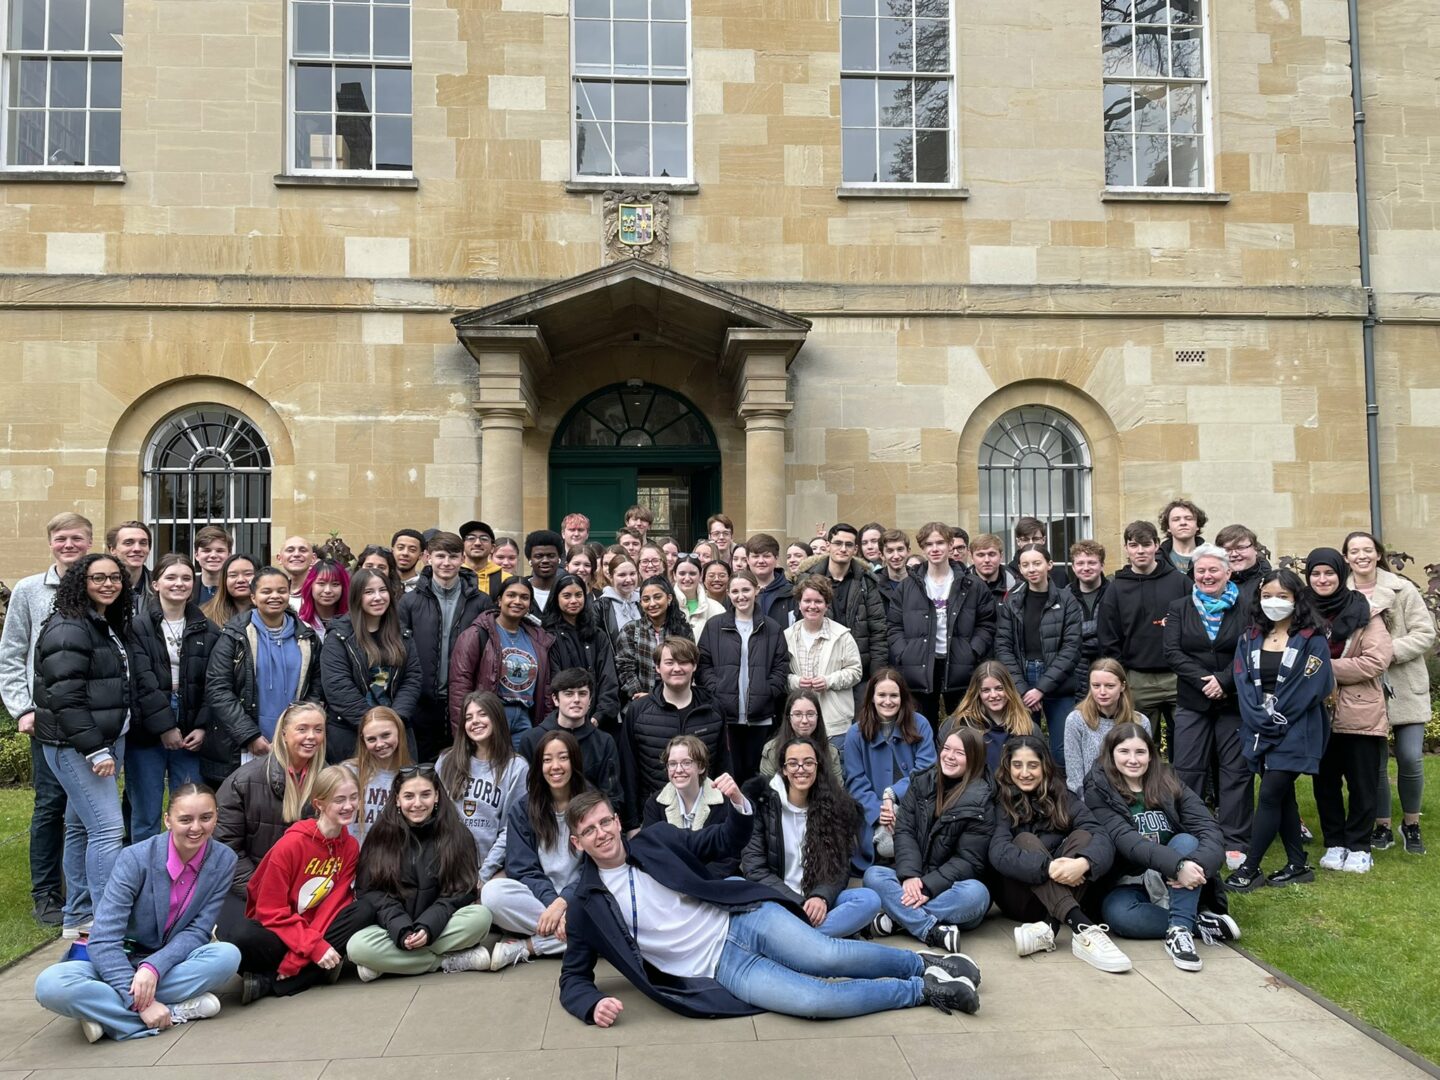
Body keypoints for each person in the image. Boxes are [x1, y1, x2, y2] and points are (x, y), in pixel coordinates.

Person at [559, 786, 983, 1025]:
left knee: (825, 954)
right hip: (721, 968)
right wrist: (591, 1005)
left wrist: (740, 807)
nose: (601, 833)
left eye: (604, 822)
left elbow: (720, 841)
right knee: (816, 1003)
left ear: (616, 820)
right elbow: (573, 977)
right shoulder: (584, 906)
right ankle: (921, 990)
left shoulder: (654, 839)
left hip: (740, 919)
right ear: (577, 843)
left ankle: (919, 963)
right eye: (588, 830)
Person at [34, 784, 241, 1042]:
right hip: (117, 959)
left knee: (227, 956)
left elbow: (198, 931)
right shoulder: (134, 859)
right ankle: (171, 1011)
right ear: (168, 820)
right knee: (50, 985)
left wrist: (153, 968)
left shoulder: (224, 860)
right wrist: (139, 1002)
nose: (196, 828)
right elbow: (103, 939)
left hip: (168, 963)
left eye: (206, 818)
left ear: (216, 817)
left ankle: (104, 1015)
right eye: (185, 819)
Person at [34, 553, 166, 940]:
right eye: (97, 578)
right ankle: (113, 919)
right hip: (78, 747)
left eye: (114, 578)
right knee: (108, 830)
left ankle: (79, 915)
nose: (108, 584)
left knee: (79, 827)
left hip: (107, 738)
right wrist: (95, 749)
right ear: (81, 582)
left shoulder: (101, 622)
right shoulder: (70, 628)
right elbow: (65, 696)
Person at [0, 510, 92, 927]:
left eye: (77, 538)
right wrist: (22, 708)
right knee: (51, 804)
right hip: (47, 717)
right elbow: (12, 652)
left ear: (89, 542)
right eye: (61, 539)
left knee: (90, 808)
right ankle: (46, 893)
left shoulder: (100, 585)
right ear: (50, 543)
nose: (69, 545)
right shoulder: (29, 590)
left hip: (93, 717)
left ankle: (84, 889)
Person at [1083, 723, 1234, 971]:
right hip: (1129, 877)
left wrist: (1194, 866)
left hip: (1174, 877)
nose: (1133, 760)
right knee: (1118, 915)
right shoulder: (1098, 789)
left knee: (1187, 841)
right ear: (1110, 754)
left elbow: (1209, 829)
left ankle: (1179, 932)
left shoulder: (1167, 780)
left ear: (1151, 754)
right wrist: (1178, 866)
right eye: (1124, 752)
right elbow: (1126, 841)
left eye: (1140, 752)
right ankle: (1198, 924)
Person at [1226, 570, 1336, 892]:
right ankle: (1297, 865)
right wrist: (1257, 717)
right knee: (1284, 796)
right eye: (1268, 596)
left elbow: (1313, 687)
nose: (1274, 602)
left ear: (1296, 599)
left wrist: (1276, 718)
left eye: (1282, 596)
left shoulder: (1312, 639)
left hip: (1297, 729)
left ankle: (1250, 868)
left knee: (1271, 794)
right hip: (1259, 728)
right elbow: (1242, 681)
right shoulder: (1249, 638)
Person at [225, 765, 373, 1002]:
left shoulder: (350, 846)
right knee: (241, 936)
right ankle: (318, 970)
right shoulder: (291, 845)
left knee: (363, 910)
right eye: (339, 800)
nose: (349, 806)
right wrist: (311, 948)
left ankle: (267, 982)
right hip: (281, 931)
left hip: (319, 930)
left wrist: (301, 957)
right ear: (319, 804)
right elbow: (269, 912)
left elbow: (331, 907)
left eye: (354, 797)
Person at [987, 735, 1128, 972]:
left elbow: (1101, 835)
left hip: (1059, 894)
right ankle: (1083, 929)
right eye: (1017, 765)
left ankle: (1049, 927)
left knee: (1084, 837)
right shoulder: (999, 801)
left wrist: (1084, 863)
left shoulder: (1062, 796)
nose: (1024, 773)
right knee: (1025, 840)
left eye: (1033, 765)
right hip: (1020, 899)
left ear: (1044, 766)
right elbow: (999, 852)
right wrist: (1048, 867)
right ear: (1007, 767)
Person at [347, 765, 496, 979]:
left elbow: (462, 891)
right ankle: (446, 961)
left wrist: (428, 926)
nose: (417, 803)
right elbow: (370, 893)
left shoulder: (457, 834)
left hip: (440, 925)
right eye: (409, 796)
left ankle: (390, 963)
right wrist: (401, 928)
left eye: (425, 795)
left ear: (437, 796)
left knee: (480, 918)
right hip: (392, 928)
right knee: (357, 947)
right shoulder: (379, 836)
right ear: (397, 799)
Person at [1344, 530, 1436, 855]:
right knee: (1376, 764)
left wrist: (1386, 651)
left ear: (1378, 554)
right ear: (1346, 558)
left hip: (1405, 684)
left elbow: (1426, 633)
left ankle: (1411, 823)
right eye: (1354, 551)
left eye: (1367, 550)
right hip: (1364, 689)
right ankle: (1381, 824)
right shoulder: (1343, 593)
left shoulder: (1402, 589)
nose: (1361, 556)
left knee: (1411, 757)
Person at [862, 725, 992, 951]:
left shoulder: (982, 800)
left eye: (959, 753)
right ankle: (930, 930)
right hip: (915, 877)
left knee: (977, 895)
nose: (949, 757)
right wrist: (911, 875)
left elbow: (968, 860)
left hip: (952, 890)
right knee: (874, 875)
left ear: (973, 758)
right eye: (946, 749)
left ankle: (897, 920)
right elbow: (905, 831)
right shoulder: (921, 782)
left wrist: (927, 887)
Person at [741, 733, 881, 938]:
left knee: (869, 899)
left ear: (817, 767)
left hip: (819, 906)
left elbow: (839, 869)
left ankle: (796, 940)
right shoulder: (761, 805)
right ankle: (819, 939)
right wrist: (798, 904)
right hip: (779, 902)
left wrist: (821, 897)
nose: (801, 769)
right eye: (793, 763)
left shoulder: (832, 806)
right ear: (783, 769)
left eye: (808, 762)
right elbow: (756, 871)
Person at [1307, 547, 1393, 875]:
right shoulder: (1301, 612)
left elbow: (1375, 660)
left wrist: (1322, 667)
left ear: (1340, 574)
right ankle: (1335, 841)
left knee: (1361, 782)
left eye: (1329, 572)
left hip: (1359, 710)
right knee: (1325, 781)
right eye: (1316, 573)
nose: (1323, 579)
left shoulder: (1365, 612)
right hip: (1317, 713)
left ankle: (1359, 845)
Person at [214, 701, 328, 946]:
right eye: (303, 729)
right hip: (250, 885)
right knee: (245, 935)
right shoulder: (244, 780)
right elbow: (226, 849)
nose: (311, 737)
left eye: (318, 730)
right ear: (284, 733)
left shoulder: (329, 780)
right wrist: (267, 892)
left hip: (306, 889)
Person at [1163, 543, 1250, 865]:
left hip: (1234, 701)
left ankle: (1235, 840)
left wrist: (1224, 681)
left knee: (1235, 772)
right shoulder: (1179, 607)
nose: (1207, 575)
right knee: (1187, 770)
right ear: (1193, 574)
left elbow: (1248, 649)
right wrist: (1205, 681)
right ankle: (1191, 835)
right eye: (1201, 570)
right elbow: (1172, 652)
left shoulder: (1246, 608)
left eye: (1214, 570)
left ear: (1228, 572)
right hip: (1192, 700)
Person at [202, 567, 322, 788]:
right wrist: (249, 736)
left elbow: (315, 688)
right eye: (266, 591)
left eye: (281, 591)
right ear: (253, 597)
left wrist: (301, 731)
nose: (275, 596)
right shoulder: (233, 636)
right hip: (244, 744)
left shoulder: (307, 638)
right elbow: (218, 689)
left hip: (293, 742)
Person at [126, 553, 217, 843]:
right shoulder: (137, 627)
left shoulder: (208, 628)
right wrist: (165, 726)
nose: (179, 583)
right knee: (146, 813)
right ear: (156, 584)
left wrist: (202, 726)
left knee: (190, 811)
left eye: (186, 578)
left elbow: (214, 682)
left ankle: (185, 877)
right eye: (171, 577)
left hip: (192, 726)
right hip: (147, 727)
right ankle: (144, 879)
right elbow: (141, 680)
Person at [481, 729, 589, 967]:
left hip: (582, 896)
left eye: (563, 757)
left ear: (574, 761)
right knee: (493, 893)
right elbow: (522, 868)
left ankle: (529, 946)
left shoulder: (592, 804)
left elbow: (597, 867)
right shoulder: (524, 808)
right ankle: (570, 934)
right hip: (538, 899)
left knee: (609, 915)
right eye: (547, 760)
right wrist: (554, 905)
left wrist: (564, 903)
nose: (555, 766)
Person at [887, 522, 997, 730]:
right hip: (920, 665)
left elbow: (987, 623)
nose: (935, 549)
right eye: (929, 544)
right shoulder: (907, 586)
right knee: (921, 728)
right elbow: (894, 625)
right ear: (923, 548)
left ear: (949, 545)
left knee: (965, 728)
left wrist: (971, 651)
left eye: (940, 543)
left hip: (960, 663)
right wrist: (905, 652)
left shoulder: (971, 584)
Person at [399, 531, 495, 763]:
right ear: (427, 558)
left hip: (465, 699)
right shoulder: (409, 602)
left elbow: (487, 652)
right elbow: (400, 651)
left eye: (453, 557)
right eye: (440, 556)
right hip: (421, 701)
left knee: (462, 765)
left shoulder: (480, 601)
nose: (446, 563)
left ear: (463, 558)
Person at [1096, 520, 1189, 757]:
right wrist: (1123, 676)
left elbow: (1195, 625)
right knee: (1141, 746)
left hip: (1178, 676)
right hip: (1138, 679)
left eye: (1146, 544)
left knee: (1189, 743)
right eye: (1134, 545)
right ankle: (1148, 794)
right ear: (1126, 548)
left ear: (1157, 546)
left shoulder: (1179, 582)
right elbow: (1109, 637)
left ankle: (1187, 793)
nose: (1140, 551)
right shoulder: (1115, 589)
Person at [617, 637, 730, 828]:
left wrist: (726, 818)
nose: (677, 668)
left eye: (684, 662)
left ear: (694, 666)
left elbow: (724, 767)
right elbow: (628, 771)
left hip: (707, 818)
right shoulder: (638, 711)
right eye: (669, 662)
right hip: (654, 816)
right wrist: (632, 825)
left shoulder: (713, 709)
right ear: (657, 668)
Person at [319, 568, 423, 763]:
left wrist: (394, 722)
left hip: (397, 733)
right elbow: (337, 687)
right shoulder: (338, 636)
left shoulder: (402, 634)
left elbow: (412, 678)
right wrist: (374, 727)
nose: (378, 597)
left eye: (382, 590)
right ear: (357, 597)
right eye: (369, 592)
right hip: (350, 735)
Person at [698, 569, 790, 783]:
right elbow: (703, 665)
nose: (741, 596)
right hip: (725, 717)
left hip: (760, 717)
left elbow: (781, 667)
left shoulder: (772, 628)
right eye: (735, 591)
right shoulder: (715, 626)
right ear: (729, 594)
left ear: (756, 590)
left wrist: (767, 691)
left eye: (746, 590)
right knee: (728, 775)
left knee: (755, 776)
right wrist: (716, 689)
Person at [993, 543, 1083, 761]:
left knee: (1062, 750)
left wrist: (1041, 689)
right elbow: (1003, 646)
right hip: (1021, 680)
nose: (1031, 569)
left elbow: (1071, 648)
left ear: (1049, 565)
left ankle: (1063, 794)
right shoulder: (1012, 600)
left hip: (1058, 682)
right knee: (1023, 747)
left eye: (1036, 563)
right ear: (1020, 569)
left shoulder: (1067, 599)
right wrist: (1024, 689)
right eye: (1025, 565)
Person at [844, 668, 938, 867]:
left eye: (894, 695)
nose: (888, 701)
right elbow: (855, 782)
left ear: (902, 697)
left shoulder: (920, 724)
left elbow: (927, 769)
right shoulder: (855, 733)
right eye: (882, 695)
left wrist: (892, 794)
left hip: (915, 807)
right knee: (888, 846)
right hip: (875, 812)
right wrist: (881, 814)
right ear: (871, 697)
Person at [448, 576, 554, 748]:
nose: (517, 601)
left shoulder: (538, 640)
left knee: (522, 770)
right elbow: (460, 686)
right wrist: (462, 735)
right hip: (489, 715)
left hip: (524, 719)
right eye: (511, 595)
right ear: (499, 600)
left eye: (524, 597)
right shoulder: (477, 634)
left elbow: (546, 689)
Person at [437, 691, 529, 883]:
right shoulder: (446, 761)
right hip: (445, 865)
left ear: (496, 717)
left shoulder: (516, 767)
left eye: (482, 714)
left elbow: (511, 829)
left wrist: (484, 875)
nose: (475, 721)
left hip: (489, 871)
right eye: (468, 717)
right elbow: (436, 818)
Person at [641, 736, 744, 878]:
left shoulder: (724, 801)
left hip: (715, 882)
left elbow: (730, 855)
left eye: (686, 763)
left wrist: (698, 881)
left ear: (701, 767)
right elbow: (650, 850)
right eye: (672, 764)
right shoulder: (655, 804)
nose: (678, 770)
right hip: (671, 881)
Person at [518, 667, 623, 807]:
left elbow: (612, 796)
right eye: (569, 694)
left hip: (589, 820)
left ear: (590, 699)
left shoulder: (604, 742)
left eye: (582, 694)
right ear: (555, 699)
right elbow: (525, 793)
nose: (576, 700)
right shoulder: (531, 739)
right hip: (543, 819)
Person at [783, 575, 863, 748]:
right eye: (807, 601)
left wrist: (829, 681)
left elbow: (856, 671)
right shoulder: (788, 636)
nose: (812, 606)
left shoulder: (842, 636)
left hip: (834, 722)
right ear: (799, 603)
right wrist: (796, 681)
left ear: (827, 605)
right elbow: (780, 673)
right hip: (799, 722)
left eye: (818, 601)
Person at [541, 572, 621, 729]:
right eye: (567, 596)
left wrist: (599, 716)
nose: (573, 601)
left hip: (598, 722)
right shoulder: (548, 636)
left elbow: (608, 678)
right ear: (556, 598)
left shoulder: (597, 635)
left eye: (578, 595)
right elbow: (553, 681)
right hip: (561, 722)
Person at [817, 523, 890, 695]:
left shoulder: (867, 581)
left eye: (849, 544)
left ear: (855, 548)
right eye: (838, 543)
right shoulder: (810, 579)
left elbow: (878, 631)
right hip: (821, 672)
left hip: (860, 675)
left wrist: (877, 678)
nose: (843, 549)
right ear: (828, 545)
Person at [1063, 659, 1151, 794]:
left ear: (1122, 686)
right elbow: (1074, 776)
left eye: (1109, 686)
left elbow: (1147, 769)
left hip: (1131, 795)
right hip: (1091, 796)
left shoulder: (1140, 721)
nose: (1102, 692)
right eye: (1096, 685)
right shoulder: (1076, 720)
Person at [615, 576, 693, 702]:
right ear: (640, 603)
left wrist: (665, 697)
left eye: (657, 597)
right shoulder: (630, 630)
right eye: (646, 599)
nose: (652, 604)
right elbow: (625, 668)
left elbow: (688, 666)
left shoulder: (682, 630)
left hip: (675, 700)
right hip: (639, 702)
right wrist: (642, 695)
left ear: (669, 598)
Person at [948, 660, 1034, 772]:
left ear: (1009, 689)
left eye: (999, 688)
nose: (993, 695)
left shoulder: (1028, 726)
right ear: (977, 693)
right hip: (975, 788)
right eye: (986, 690)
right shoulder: (960, 724)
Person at [346, 707, 413, 842]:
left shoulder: (412, 776)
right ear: (363, 741)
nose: (380, 744)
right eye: (371, 739)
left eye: (386, 735)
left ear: (399, 732)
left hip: (392, 858)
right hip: (353, 857)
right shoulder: (349, 772)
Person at [759, 689, 843, 779]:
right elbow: (766, 789)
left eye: (810, 714)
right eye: (798, 714)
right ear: (788, 718)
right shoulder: (772, 750)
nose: (804, 721)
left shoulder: (831, 752)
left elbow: (837, 790)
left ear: (818, 717)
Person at [1068, 540, 1109, 690]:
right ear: (1073, 567)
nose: (1086, 568)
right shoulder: (1063, 597)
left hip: (1108, 670)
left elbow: (1116, 632)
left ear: (1102, 565)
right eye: (1080, 563)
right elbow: (1062, 637)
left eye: (1092, 562)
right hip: (1074, 674)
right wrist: (1099, 629)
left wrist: (1077, 639)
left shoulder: (1115, 594)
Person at [1006, 518, 1070, 591]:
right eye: (1025, 539)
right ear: (1018, 541)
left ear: (1043, 540)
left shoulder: (1059, 574)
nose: (1031, 543)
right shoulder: (1007, 574)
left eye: (1035, 539)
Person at [295, 558, 350, 643]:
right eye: (321, 583)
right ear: (310, 585)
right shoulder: (299, 623)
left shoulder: (353, 623)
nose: (327, 590)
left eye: (335, 584)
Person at [672, 554, 726, 638]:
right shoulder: (665, 606)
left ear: (700, 576)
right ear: (674, 575)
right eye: (682, 573)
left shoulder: (717, 609)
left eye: (692, 573)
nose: (687, 578)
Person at [1216, 523, 1271, 605]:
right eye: (1227, 550)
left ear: (1255, 548)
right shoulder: (1213, 583)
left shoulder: (1269, 582)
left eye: (1240, 548)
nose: (1234, 554)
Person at [746, 534, 794, 624]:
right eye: (755, 556)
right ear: (748, 560)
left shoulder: (791, 594)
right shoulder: (739, 592)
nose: (761, 561)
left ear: (776, 559)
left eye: (766, 556)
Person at [105, 520, 153, 609]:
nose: (137, 549)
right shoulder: (100, 586)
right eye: (128, 543)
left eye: (143, 543)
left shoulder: (160, 586)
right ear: (113, 550)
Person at [200, 552, 256, 628]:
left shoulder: (270, 614)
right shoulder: (206, 615)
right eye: (233, 575)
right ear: (224, 580)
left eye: (248, 574)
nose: (240, 580)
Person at [460, 520, 511, 599]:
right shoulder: (454, 576)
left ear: (492, 548)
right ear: (462, 546)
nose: (477, 543)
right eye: (471, 538)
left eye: (484, 539)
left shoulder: (505, 579)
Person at [597, 553, 642, 638]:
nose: (629, 579)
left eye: (632, 574)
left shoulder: (642, 601)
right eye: (622, 575)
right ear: (610, 577)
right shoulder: (600, 607)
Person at [1158, 499, 1207, 576]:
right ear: (1168, 527)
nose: (1183, 523)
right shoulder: (1158, 559)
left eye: (1188, 518)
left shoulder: (1211, 555)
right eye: (1176, 519)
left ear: (1197, 525)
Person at [968, 533, 1020, 604]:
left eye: (992, 554)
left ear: (1001, 556)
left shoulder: (1017, 587)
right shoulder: (960, 586)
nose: (987, 560)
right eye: (981, 555)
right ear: (971, 557)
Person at [523, 529, 564, 613]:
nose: (545, 560)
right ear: (530, 560)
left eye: (551, 556)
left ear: (559, 559)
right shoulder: (520, 590)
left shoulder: (568, 590)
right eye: (539, 556)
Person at [874, 528, 911, 616]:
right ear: (882, 555)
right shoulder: (873, 584)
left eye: (900, 549)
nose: (896, 556)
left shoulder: (920, 581)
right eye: (890, 551)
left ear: (908, 552)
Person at [192, 525, 232, 606]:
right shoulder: (187, 588)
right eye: (207, 550)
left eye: (220, 551)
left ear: (229, 555)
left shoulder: (237, 589)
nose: (213, 555)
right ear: (196, 555)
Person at [278, 536, 316, 606]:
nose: (296, 554)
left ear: (313, 559)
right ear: (279, 558)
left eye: (303, 550)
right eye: (290, 550)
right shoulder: (272, 594)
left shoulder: (320, 592)